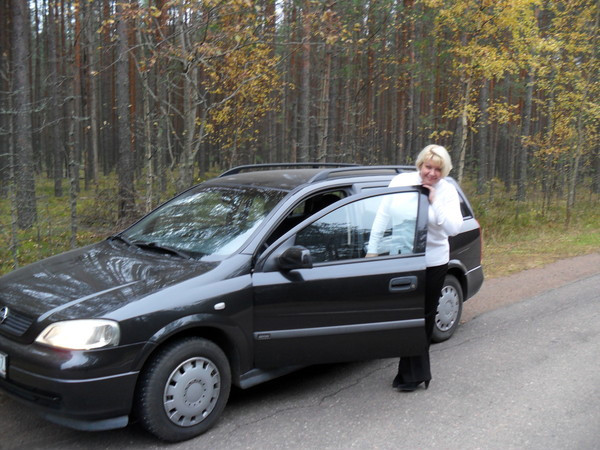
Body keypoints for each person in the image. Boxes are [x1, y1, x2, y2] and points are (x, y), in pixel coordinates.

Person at [366, 144, 463, 391]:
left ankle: (412, 375)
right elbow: (382, 216)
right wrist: (372, 250)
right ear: (420, 164)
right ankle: (412, 372)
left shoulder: (447, 191)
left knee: (425, 317)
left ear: (444, 171)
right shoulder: (401, 182)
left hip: (433, 262)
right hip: (402, 260)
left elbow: (453, 228)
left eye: (438, 169)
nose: (432, 173)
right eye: (428, 167)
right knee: (405, 317)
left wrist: (434, 201)